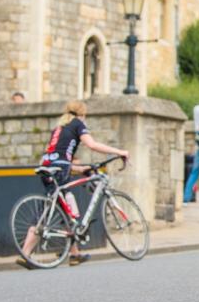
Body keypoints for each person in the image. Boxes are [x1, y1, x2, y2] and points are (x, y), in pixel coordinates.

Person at [17, 101, 129, 269]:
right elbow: (92, 145)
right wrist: (119, 152)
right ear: (82, 114)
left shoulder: (59, 127)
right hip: (60, 169)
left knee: (53, 209)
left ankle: (73, 254)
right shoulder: (77, 123)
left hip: (48, 167)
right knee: (69, 210)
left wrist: (80, 168)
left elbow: (59, 156)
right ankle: (31, 253)